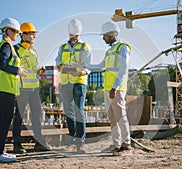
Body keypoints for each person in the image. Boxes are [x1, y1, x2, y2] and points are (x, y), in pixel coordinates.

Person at [12, 22, 51, 153]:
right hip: (22, 89)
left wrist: (40, 71)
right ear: (23, 35)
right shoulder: (16, 49)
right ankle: (16, 145)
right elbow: (15, 69)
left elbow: (32, 70)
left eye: (35, 34)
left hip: (34, 88)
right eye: (32, 34)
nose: (34, 36)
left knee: (37, 115)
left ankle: (39, 143)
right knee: (19, 116)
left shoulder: (33, 51)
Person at [0, 18, 28, 162]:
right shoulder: (6, 46)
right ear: (7, 30)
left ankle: (0, 151)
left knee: (5, 119)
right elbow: (4, 65)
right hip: (5, 87)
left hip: (8, 87)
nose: (17, 35)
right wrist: (18, 70)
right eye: (16, 31)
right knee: (4, 120)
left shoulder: (8, 46)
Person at [55, 19, 92, 153]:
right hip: (66, 82)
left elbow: (88, 66)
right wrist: (63, 67)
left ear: (79, 34)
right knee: (69, 112)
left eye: (76, 35)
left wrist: (81, 72)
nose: (74, 37)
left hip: (79, 82)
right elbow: (58, 61)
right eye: (72, 35)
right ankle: (72, 142)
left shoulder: (85, 46)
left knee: (79, 111)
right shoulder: (63, 47)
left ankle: (80, 143)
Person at [99, 21, 132, 156]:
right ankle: (116, 143)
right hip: (108, 89)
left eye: (105, 35)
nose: (103, 38)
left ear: (113, 34)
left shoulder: (122, 48)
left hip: (116, 89)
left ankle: (126, 144)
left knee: (120, 116)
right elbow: (100, 66)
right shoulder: (109, 51)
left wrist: (115, 87)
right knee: (112, 118)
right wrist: (84, 65)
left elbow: (124, 69)